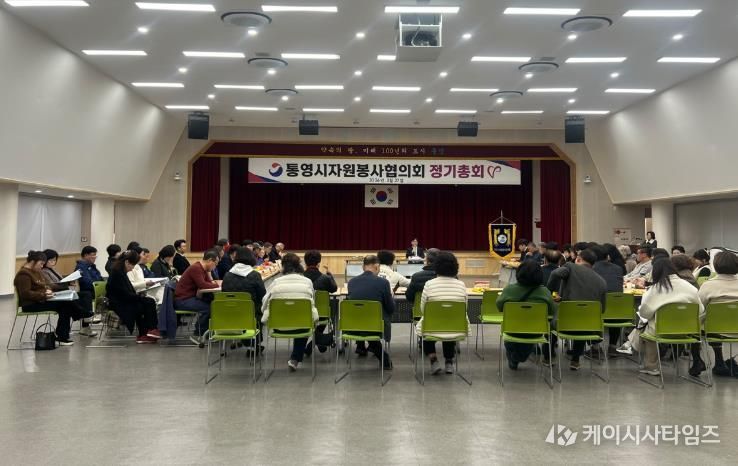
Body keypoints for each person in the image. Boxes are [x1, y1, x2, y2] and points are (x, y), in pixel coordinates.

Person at [618, 258, 703, 377]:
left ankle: (650, 365)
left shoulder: (654, 289)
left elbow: (644, 313)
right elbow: (700, 310)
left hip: (661, 331)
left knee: (646, 326)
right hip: (689, 331)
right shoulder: (689, 287)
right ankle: (630, 344)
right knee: (647, 326)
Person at [546, 248, 608, 370]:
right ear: (593, 264)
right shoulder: (602, 282)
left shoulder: (570, 267)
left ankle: (548, 357)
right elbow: (602, 309)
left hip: (564, 324)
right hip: (590, 327)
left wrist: (550, 292)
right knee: (582, 320)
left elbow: (555, 274)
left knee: (550, 323)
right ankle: (575, 360)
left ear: (578, 259)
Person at [260, 253, 318, 371]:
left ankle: (295, 358)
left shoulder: (276, 282)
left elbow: (264, 304)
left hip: (278, 326)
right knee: (304, 317)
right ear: (299, 266)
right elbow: (312, 302)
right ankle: (295, 358)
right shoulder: (307, 282)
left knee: (301, 317)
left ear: (283, 266)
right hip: (302, 325)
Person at [14, 251, 85, 345]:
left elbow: (45, 285)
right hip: (31, 305)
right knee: (65, 304)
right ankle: (79, 316)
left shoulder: (36, 271)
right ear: (32, 262)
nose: (42, 266)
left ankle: (63, 335)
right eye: (41, 264)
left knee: (65, 304)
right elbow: (25, 294)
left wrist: (48, 290)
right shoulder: (23, 275)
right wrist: (43, 294)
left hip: (41, 300)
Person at [496, 260, 556, 370]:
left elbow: (499, 306)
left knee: (512, 341)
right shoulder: (545, 292)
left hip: (512, 329)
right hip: (536, 331)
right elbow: (552, 311)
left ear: (519, 273)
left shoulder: (509, 289)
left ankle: (515, 356)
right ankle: (519, 355)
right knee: (524, 348)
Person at [418, 251, 468, 374]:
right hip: (456, 327)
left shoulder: (429, 284)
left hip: (432, 326)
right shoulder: (461, 285)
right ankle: (449, 362)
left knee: (426, 327)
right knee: (449, 325)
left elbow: (423, 309)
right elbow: (464, 308)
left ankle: (433, 360)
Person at [346, 255, 395, 369]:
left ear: (363, 267)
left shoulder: (351, 282)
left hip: (354, 326)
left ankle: (364, 347)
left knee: (364, 316)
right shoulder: (383, 283)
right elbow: (390, 308)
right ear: (377, 267)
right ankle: (384, 359)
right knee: (381, 313)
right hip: (376, 325)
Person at [698, 251, 738, 376]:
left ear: (716, 265)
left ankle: (715, 361)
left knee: (705, 321)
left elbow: (699, 308)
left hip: (714, 330)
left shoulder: (708, 285)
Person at [106, 250, 160, 344]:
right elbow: (124, 294)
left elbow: (127, 292)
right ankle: (148, 331)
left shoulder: (120, 271)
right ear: (127, 262)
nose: (132, 269)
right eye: (133, 265)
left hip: (123, 300)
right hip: (119, 303)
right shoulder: (117, 273)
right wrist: (139, 297)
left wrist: (139, 296)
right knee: (146, 303)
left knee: (148, 301)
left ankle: (148, 331)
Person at [174, 249, 221, 344]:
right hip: (183, 300)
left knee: (213, 304)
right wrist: (217, 285)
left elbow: (208, 282)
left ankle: (208, 332)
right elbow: (202, 285)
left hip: (190, 298)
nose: (215, 267)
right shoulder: (196, 268)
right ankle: (198, 334)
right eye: (215, 264)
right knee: (209, 308)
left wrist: (211, 278)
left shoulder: (203, 269)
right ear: (210, 260)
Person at [592, 245, 625, 350]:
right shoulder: (618, 269)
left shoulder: (591, 269)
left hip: (598, 309)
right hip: (617, 308)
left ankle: (595, 346)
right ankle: (613, 345)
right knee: (615, 309)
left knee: (590, 307)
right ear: (607, 256)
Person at [75, 245, 102, 328]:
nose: (95, 257)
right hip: (87, 291)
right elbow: (86, 282)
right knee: (87, 295)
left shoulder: (92, 266)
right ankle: (88, 317)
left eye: (95, 255)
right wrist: (97, 284)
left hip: (94, 290)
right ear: (86, 255)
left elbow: (100, 279)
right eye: (93, 255)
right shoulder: (81, 267)